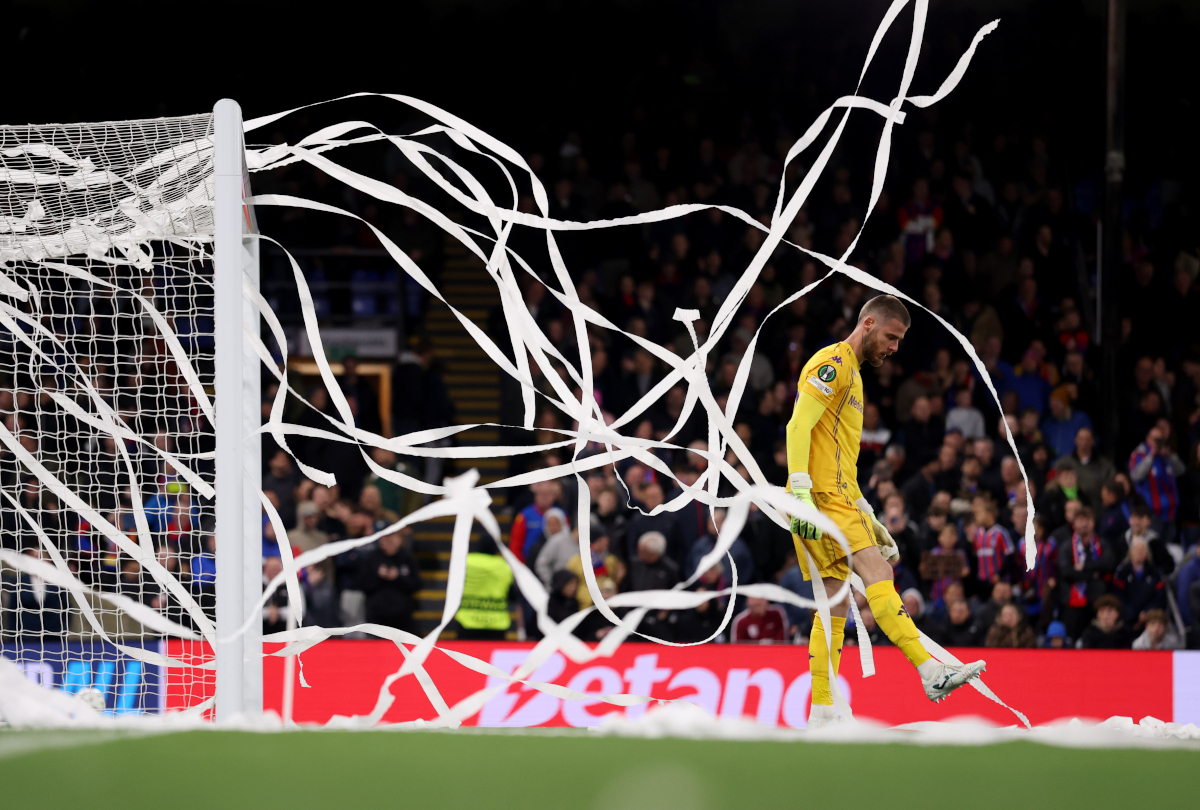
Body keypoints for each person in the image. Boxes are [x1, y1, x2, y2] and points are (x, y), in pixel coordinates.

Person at [785, 294, 984, 730]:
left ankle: (821, 711)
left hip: (833, 497)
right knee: (879, 574)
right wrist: (799, 490)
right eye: (892, 337)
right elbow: (797, 425)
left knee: (833, 604)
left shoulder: (853, 377)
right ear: (869, 323)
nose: (895, 348)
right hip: (820, 497)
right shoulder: (833, 364)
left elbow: (842, 460)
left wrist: (869, 516)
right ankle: (931, 671)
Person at [1056, 506, 1114, 638]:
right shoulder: (1066, 547)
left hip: (1097, 600)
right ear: (1074, 523)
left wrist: (1083, 567)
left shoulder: (1102, 544)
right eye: (1080, 520)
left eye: (1087, 519)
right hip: (1072, 602)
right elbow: (1067, 573)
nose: (1084, 524)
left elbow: (1108, 564)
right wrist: (1093, 574)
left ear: (1093, 522)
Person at [359, 528, 422, 633]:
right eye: (384, 539)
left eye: (390, 539)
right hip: (377, 614)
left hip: (401, 615)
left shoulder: (407, 558)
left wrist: (399, 576)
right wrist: (378, 575)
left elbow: (417, 584)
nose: (387, 543)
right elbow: (362, 584)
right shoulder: (373, 558)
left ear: (398, 540)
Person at [454, 541, 514, 640]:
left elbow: (454, 589)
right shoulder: (503, 565)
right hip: (496, 623)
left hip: (468, 621)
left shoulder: (466, 561)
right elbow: (512, 595)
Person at [1111, 537, 1166, 630]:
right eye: (1136, 549)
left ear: (1147, 553)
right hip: (1125, 619)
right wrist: (1130, 614)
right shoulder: (1122, 572)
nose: (1140, 552)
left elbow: (1160, 598)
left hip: (1149, 619)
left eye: (1143, 549)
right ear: (1130, 552)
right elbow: (1117, 596)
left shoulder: (1155, 573)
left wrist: (1146, 613)